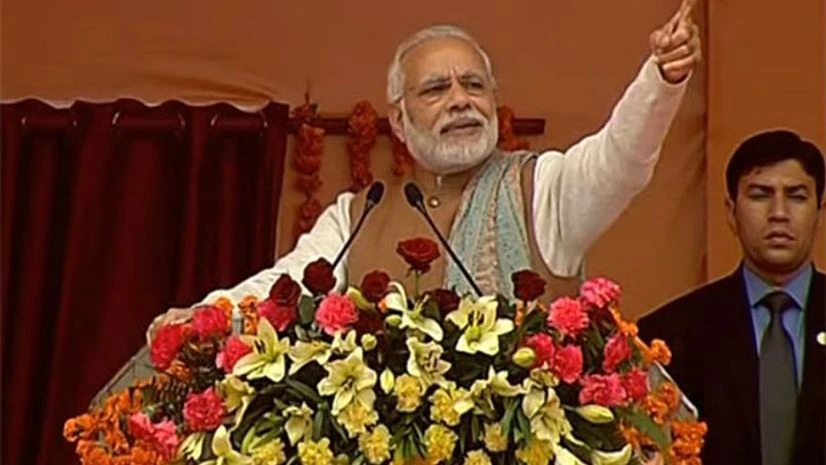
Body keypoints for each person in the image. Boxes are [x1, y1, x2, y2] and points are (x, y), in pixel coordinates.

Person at [147, 0, 702, 338]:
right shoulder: (358, 216)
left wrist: (661, 80)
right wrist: (203, 317)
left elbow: (620, 161)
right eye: (436, 89)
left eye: (474, 85)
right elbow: (283, 288)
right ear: (398, 117)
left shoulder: (543, 187)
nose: (460, 100)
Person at [637, 130, 826, 465]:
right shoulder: (667, 338)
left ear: (820, 212)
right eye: (760, 195)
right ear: (731, 212)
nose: (779, 213)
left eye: (796, 196)